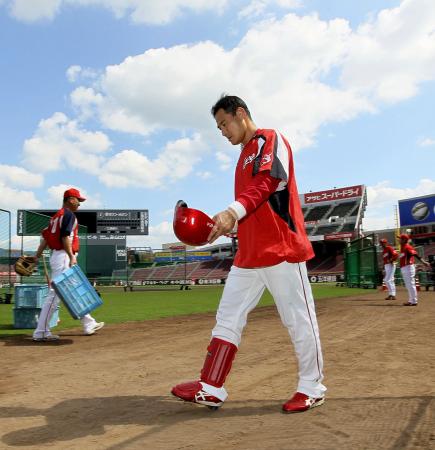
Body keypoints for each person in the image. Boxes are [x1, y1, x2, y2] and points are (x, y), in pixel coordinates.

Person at [171, 95, 326, 413]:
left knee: (298, 320)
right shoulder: (242, 157)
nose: (223, 132)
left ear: (240, 114)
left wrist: (231, 211)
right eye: (218, 128)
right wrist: (227, 226)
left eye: (224, 124)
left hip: (282, 249)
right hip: (249, 254)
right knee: (227, 318)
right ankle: (211, 386)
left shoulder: (270, 138)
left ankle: (312, 387)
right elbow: (254, 209)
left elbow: (269, 182)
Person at [32, 188, 105, 341]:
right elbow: (65, 237)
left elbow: (45, 238)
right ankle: (41, 332)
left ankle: (88, 323)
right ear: (70, 199)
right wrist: (71, 256)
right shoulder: (68, 215)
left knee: (72, 292)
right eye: (78, 200)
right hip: (63, 255)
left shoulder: (55, 217)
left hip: (59, 255)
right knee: (55, 294)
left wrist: (37, 256)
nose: (79, 203)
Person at [398, 233, 430, 306]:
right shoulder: (402, 247)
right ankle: (411, 300)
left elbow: (416, 255)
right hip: (405, 268)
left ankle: (414, 301)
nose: (399, 240)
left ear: (404, 240)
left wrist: (424, 262)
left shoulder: (407, 247)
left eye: (400, 239)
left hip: (408, 267)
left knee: (410, 284)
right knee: (408, 285)